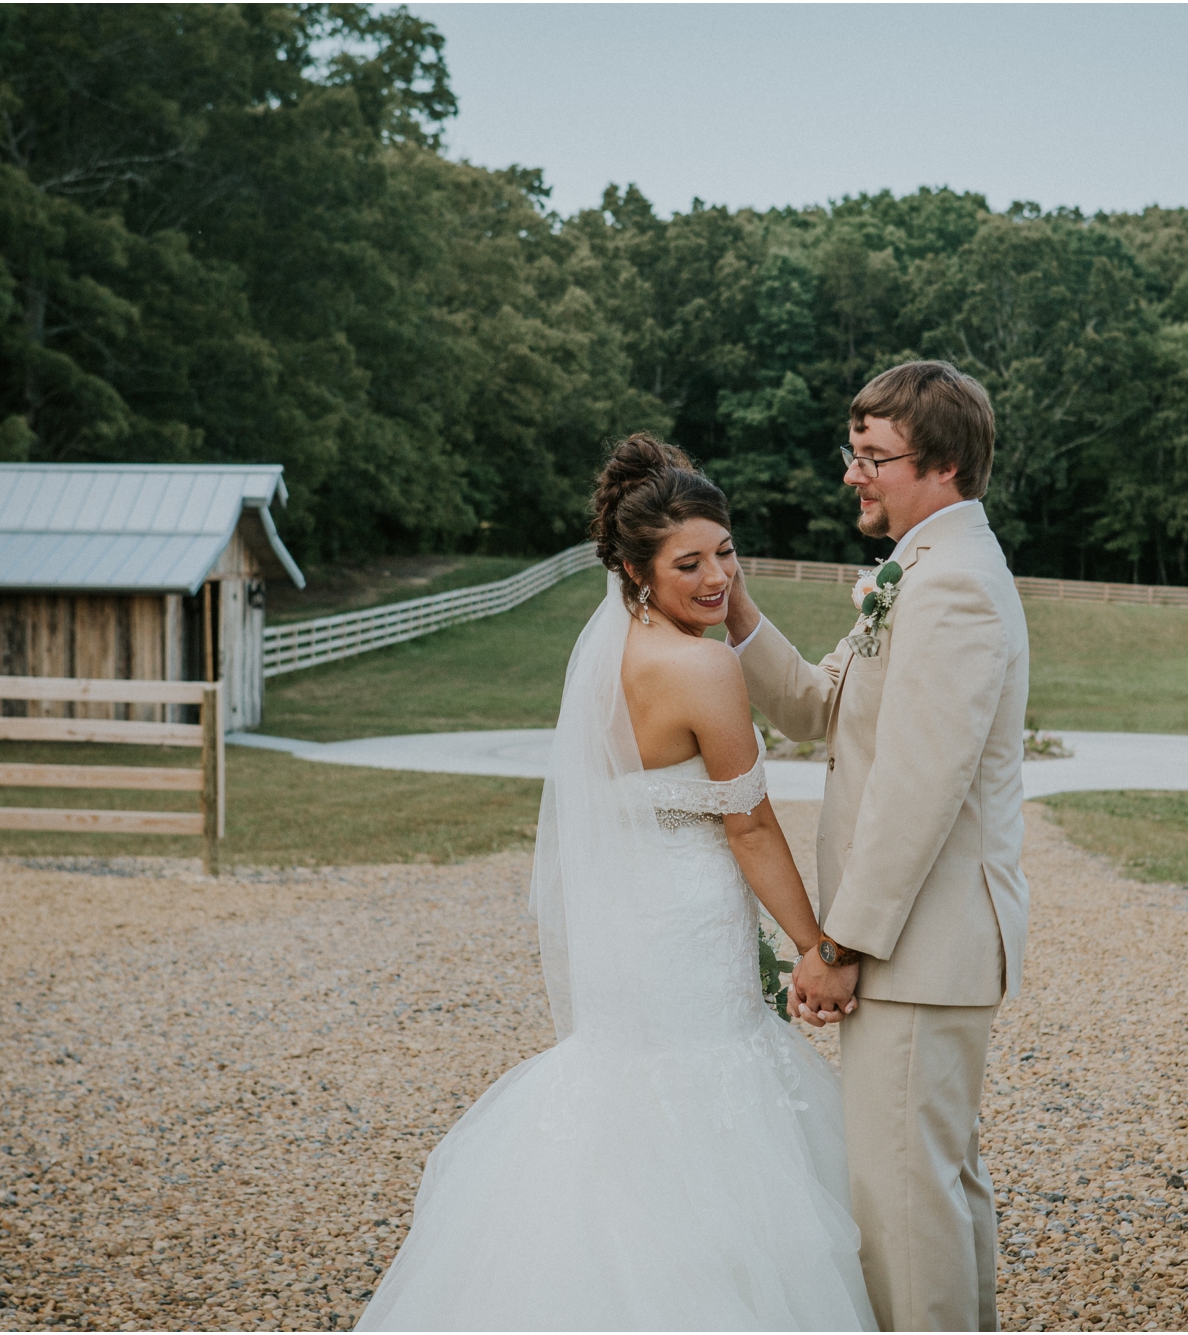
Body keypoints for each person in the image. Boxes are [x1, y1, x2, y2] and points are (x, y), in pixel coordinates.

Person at [355, 434, 875, 1331]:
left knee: (624, 1102)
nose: (717, 578)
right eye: (691, 563)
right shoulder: (705, 666)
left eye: (726, 552)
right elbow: (747, 823)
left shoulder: (607, 660)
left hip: (626, 930)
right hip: (684, 930)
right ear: (636, 569)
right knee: (714, 1118)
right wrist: (814, 947)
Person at [723, 360, 1029, 1332]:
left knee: (902, 1203)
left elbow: (916, 790)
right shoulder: (923, 572)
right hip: (921, 949)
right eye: (850, 453)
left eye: (872, 457)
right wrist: (732, 605)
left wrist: (837, 945)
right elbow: (817, 706)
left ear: (939, 465)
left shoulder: (953, 589)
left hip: (915, 949)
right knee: (933, 1183)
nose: (851, 474)